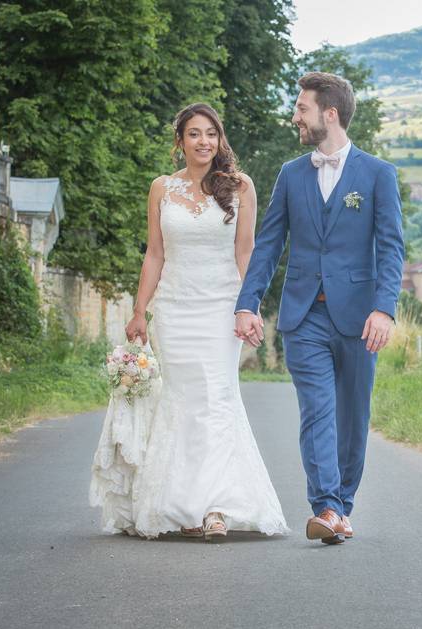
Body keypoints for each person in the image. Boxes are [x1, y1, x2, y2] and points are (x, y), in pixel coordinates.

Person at [91, 103, 289, 541]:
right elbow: (155, 254)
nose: (204, 142)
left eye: (212, 134)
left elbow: (246, 253)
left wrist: (250, 305)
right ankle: (181, 505)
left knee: (218, 397)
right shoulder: (162, 189)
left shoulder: (241, 187)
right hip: (175, 310)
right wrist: (140, 310)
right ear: (179, 141)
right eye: (195, 134)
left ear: (221, 140)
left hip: (222, 309)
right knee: (182, 402)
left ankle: (217, 507)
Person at [234, 72, 405, 544]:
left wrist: (384, 309)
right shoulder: (291, 175)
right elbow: (268, 246)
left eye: (301, 109)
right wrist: (247, 304)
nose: (295, 116)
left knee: (352, 416)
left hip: (359, 318)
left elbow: (391, 248)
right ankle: (327, 507)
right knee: (317, 410)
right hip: (303, 315)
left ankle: (343, 505)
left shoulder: (377, 175)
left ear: (329, 113)